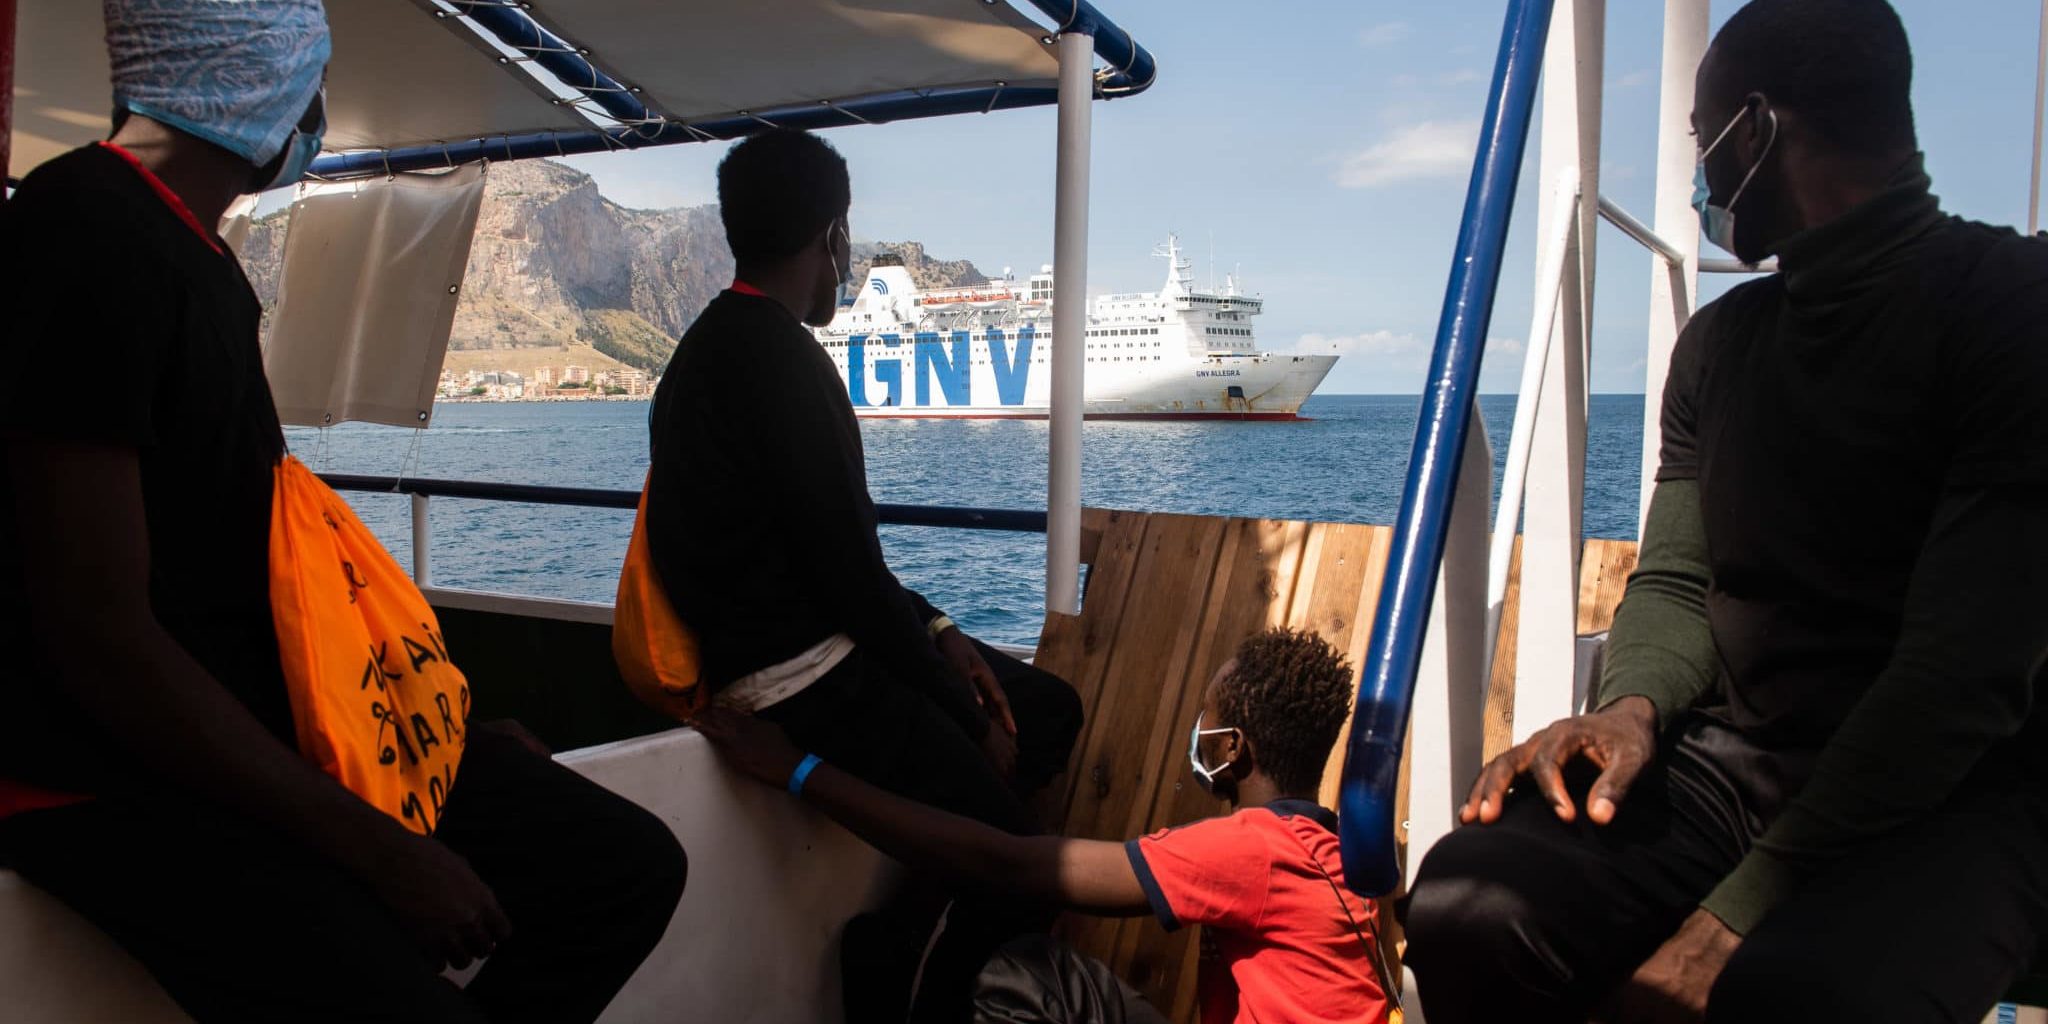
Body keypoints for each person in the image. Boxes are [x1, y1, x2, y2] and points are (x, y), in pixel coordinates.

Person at [0, 5, 685, 1021]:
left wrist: (420, 722)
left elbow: (229, 567)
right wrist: (371, 843)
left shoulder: (193, 253)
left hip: (254, 733)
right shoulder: (84, 235)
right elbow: (99, 633)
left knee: (619, 868)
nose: (319, 112)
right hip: (114, 782)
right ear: (260, 79)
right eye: (313, 77)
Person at [1400, 2, 2048, 1021]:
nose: (1701, 181)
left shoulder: (2012, 308)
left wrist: (1723, 925)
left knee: (1779, 993)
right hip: (1736, 768)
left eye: (1704, 146)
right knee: (1464, 901)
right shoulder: (1719, 344)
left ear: (1755, 132)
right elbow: (1672, 580)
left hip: (1953, 795)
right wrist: (1630, 707)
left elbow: (1954, 681)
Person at [645, 127, 1084, 1021]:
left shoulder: (706, 352)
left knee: (1049, 712)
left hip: (810, 644)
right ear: (835, 237)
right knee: (1026, 867)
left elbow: (839, 562)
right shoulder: (787, 367)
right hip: (799, 679)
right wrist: (963, 708)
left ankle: (926, 903)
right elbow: (849, 580)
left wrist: (940, 632)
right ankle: (895, 971)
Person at [694, 627, 1393, 1024]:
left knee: (1020, 977)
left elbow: (1015, 866)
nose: (1198, 728)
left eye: (1206, 715)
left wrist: (799, 771)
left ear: (1233, 747)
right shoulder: (1331, 846)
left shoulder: (1253, 850)